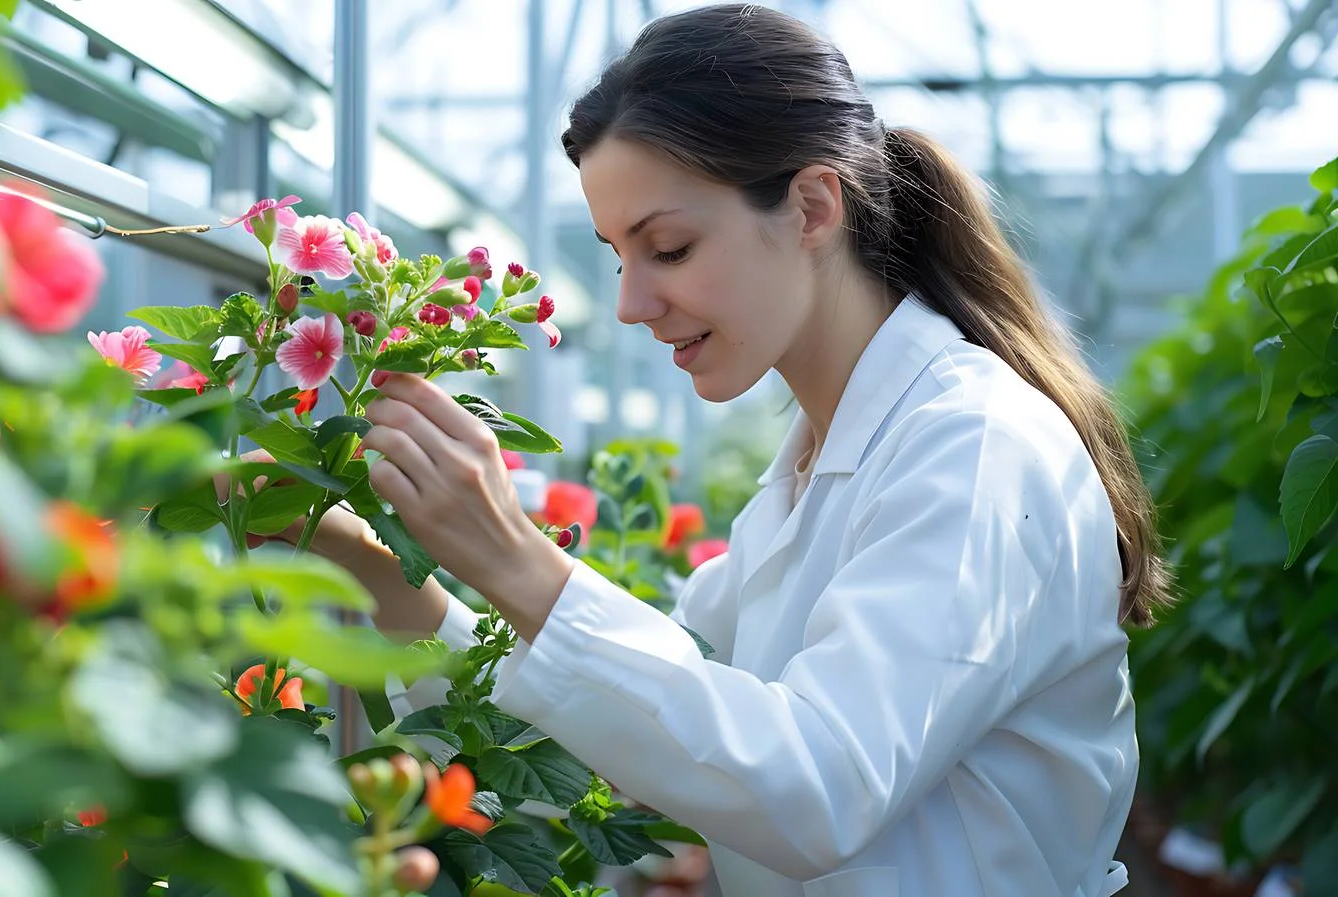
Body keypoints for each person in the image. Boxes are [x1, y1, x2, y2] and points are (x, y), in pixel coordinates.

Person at [258, 5, 1173, 895]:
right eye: (621, 255)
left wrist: (516, 559)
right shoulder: (811, 471)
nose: (631, 301)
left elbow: (818, 789)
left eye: (670, 246)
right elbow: (638, 742)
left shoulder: (974, 447)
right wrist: (376, 566)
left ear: (813, 206)